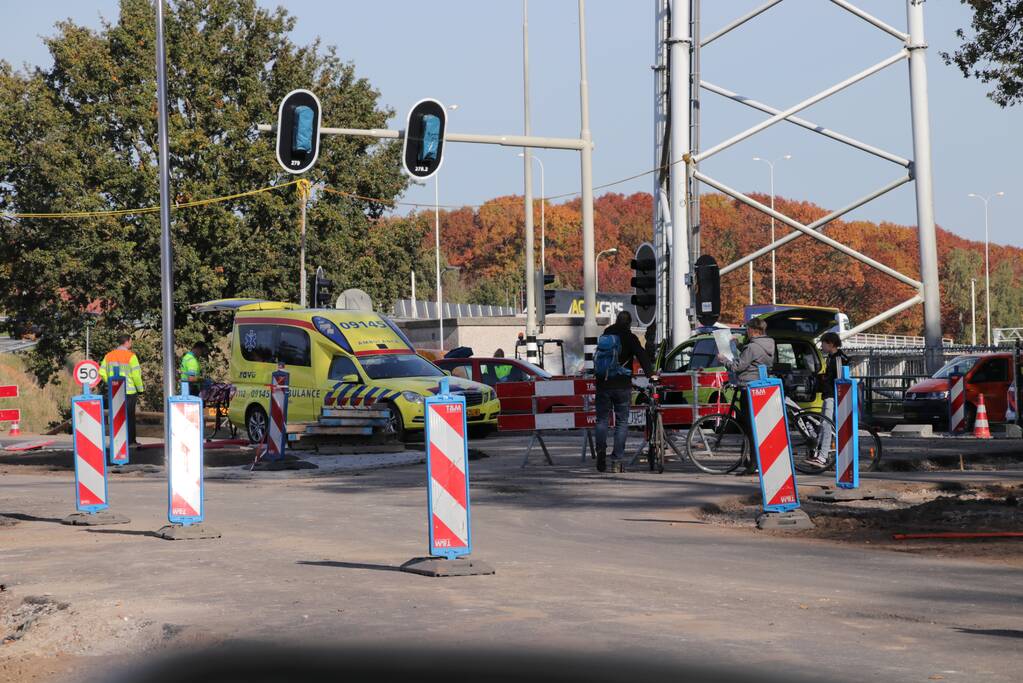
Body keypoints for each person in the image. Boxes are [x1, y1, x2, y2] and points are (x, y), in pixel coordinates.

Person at [593, 311, 656, 473]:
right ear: (629, 323)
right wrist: (651, 374)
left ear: (616, 321)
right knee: (621, 422)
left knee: (601, 420)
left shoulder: (605, 336)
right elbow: (642, 355)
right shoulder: (630, 337)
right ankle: (616, 461)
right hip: (622, 386)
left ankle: (600, 452)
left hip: (603, 384)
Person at [716, 317, 775, 473]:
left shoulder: (752, 348)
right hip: (760, 388)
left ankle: (753, 464)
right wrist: (739, 345)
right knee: (754, 426)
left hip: (747, 388)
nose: (747, 332)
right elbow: (753, 356)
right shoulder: (769, 343)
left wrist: (724, 360)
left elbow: (738, 366)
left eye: (748, 329)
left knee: (750, 428)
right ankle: (749, 460)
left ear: (753, 330)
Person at [810, 331, 849, 467]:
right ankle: (820, 454)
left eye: (823, 344)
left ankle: (823, 456)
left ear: (831, 344)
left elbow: (840, 380)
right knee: (823, 424)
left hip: (832, 396)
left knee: (826, 425)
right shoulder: (831, 357)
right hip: (829, 394)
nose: (822, 347)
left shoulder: (838, 359)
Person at [100, 334, 144, 446]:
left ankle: (118, 441)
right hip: (129, 391)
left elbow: (101, 372)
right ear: (127, 342)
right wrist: (140, 389)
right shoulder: (131, 356)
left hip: (114, 391)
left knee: (116, 416)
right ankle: (131, 441)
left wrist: (110, 383)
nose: (131, 343)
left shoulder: (108, 356)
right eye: (131, 341)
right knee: (129, 417)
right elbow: (136, 375)